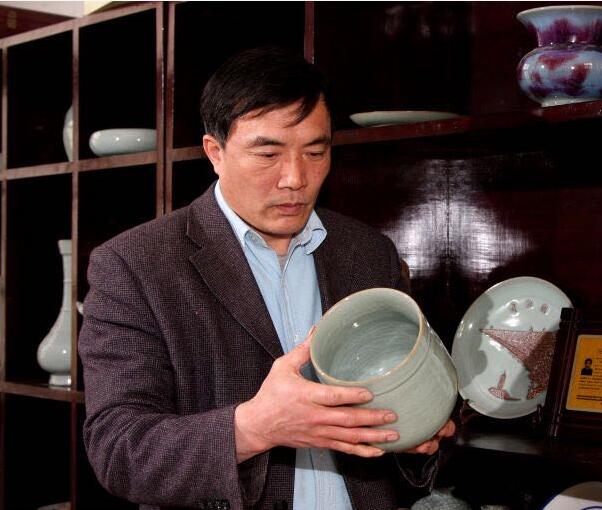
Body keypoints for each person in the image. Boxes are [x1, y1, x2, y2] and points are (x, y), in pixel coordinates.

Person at [78, 46, 455, 510]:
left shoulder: (369, 253)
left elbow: (404, 434)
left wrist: (416, 435)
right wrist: (254, 428)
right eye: (268, 153)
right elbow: (118, 450)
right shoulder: (135, 264)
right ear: (215, 152)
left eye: (315, 152)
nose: (295, 177)